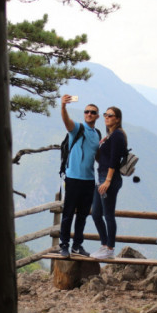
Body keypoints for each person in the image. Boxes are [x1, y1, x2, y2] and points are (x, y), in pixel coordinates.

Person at [58, 94, 100, 257]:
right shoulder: (77, 129)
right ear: (84, 114)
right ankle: (64, 245)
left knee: (82, 215)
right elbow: (66, 122)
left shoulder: (97, 133)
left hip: (89, 180)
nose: (89, 114)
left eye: (93, 112)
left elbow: (96, 156)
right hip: (73, 178)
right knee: (68, 213)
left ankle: (77, 245)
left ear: (97, 116)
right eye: (87, 111)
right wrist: (63, 107)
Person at [90, 106, 126, 260]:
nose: (106, 117)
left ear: (117, 118)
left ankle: (110, 249)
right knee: (96, 213)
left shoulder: (118, 135)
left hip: (109, 178)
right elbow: (103, 158)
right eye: (105, 115)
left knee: (108, 214)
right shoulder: (109, 136)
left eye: (110, 115)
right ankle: (104, 245)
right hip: (102, 176)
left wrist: (108, 181)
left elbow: (114, 159)